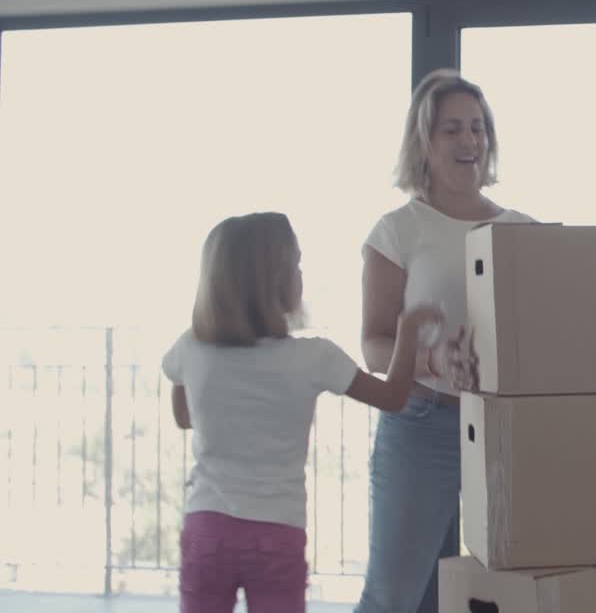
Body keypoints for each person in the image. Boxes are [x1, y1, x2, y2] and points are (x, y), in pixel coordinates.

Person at [163, 211, 440, 613]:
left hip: (208, 527)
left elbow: (183, 417)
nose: (300, 273)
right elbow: (395, 397)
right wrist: (409, 328)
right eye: (295, 263)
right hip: (278, 531)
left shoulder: (191, 348)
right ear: (276, 280)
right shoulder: (314, 357)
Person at [356, 70, 534, 613]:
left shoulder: (524, 230)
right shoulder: (398, 230)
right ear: (424, 143)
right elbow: (374, 343)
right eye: (452, 129)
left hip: (507, 431)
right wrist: (429, 357)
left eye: (477, 129)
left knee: (516, 590)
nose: (469, 142)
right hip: (421, 426)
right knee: (394, 595)